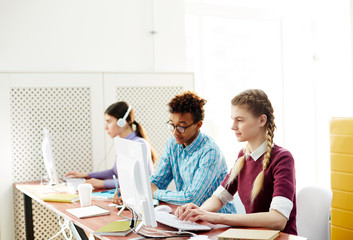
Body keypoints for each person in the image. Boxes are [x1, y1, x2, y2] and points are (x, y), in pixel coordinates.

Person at [175, 89, 297, 235]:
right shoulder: (243, 157)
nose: (233, 126)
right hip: (253, 236)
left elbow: (278, 219)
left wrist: (217, 217)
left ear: (262, 120)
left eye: (239, 120)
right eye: (233, 120)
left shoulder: (282, 159)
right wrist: (197, 212)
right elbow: (218, 198)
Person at [122, 91, 235, 213]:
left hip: (218, 223)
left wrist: (155, 193)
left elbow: (193, 199)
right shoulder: (173, 143)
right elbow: (158, 181)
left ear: (198, 125)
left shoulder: (210, 153)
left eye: (181, 127)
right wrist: (134, 192)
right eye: (172, 125)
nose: (175, 132)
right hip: (188, 217)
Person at [65, 101, 156, 189]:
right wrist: (87, 175)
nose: (106, 127)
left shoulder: (139, 144)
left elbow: (136, 181)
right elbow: (114, 172)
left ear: (122, 122)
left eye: (109, 122)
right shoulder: (123, 143)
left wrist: (102, 183)